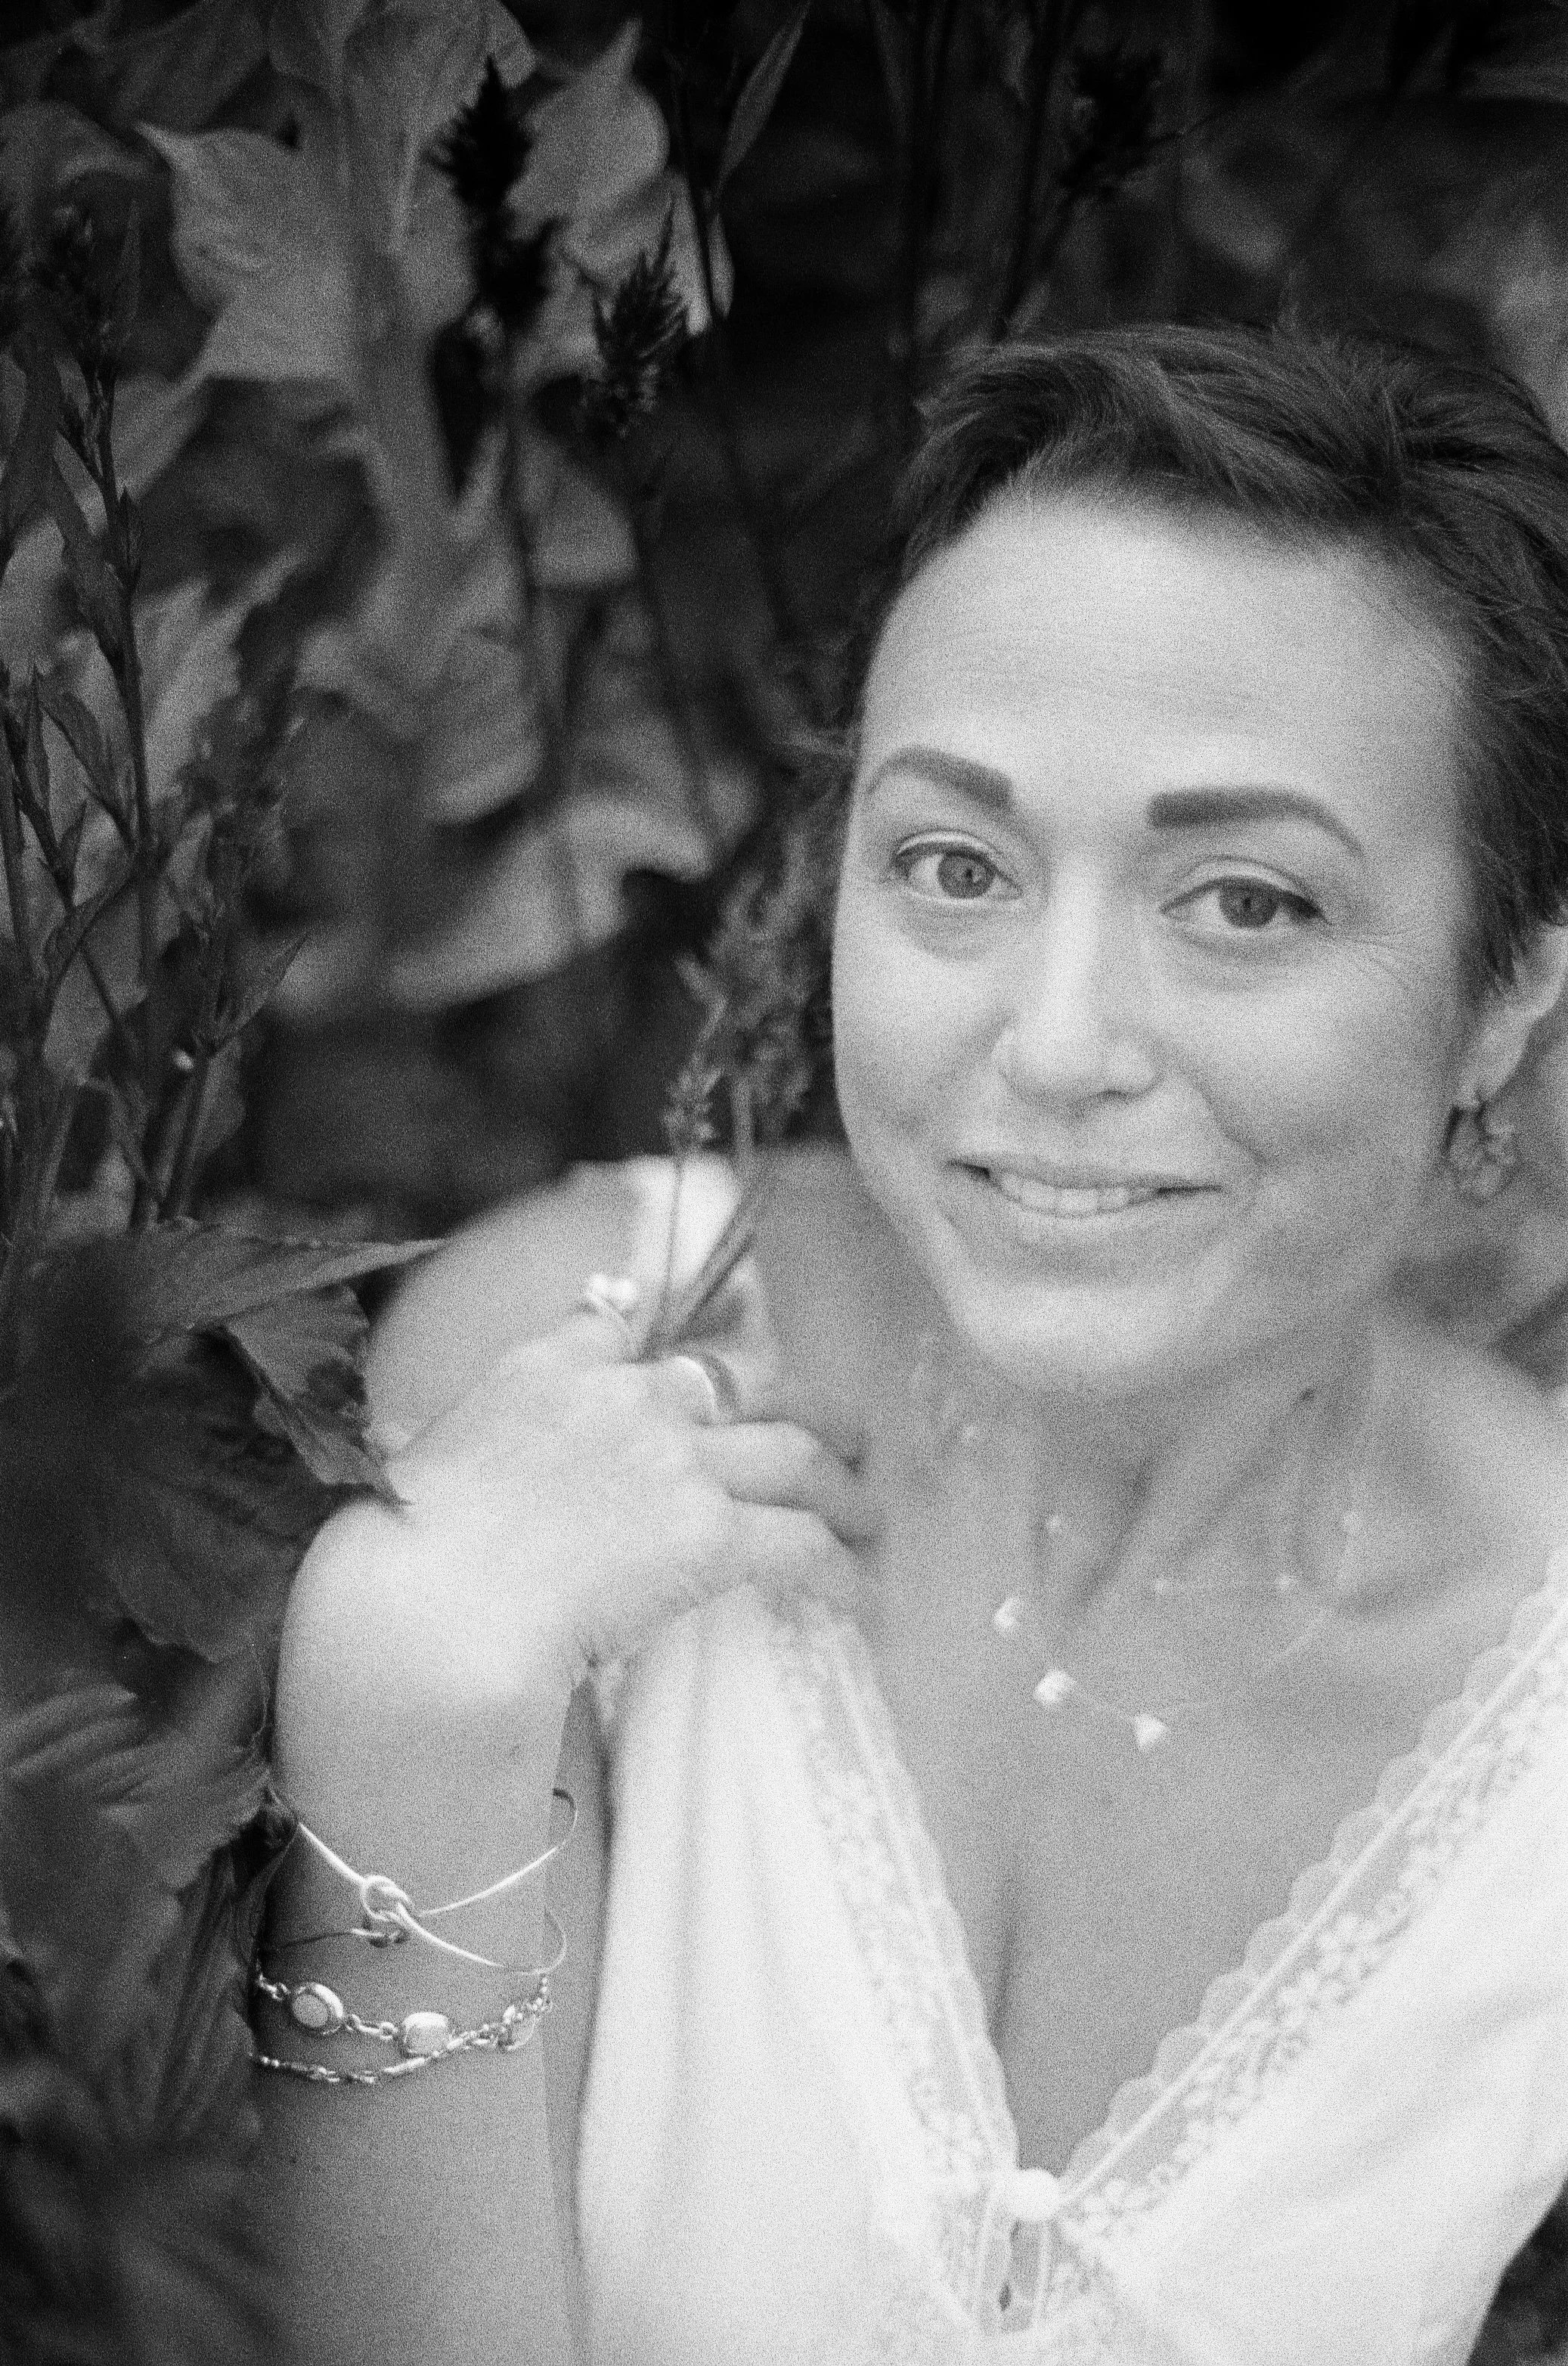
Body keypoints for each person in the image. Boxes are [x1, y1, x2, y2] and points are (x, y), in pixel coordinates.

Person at [256, 322, 1568, 2366]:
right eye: (955, 867)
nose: (1052, 1049)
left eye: (1246, 905)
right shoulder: (564, 1364)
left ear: (1500, 1000)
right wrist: (403, 1680)